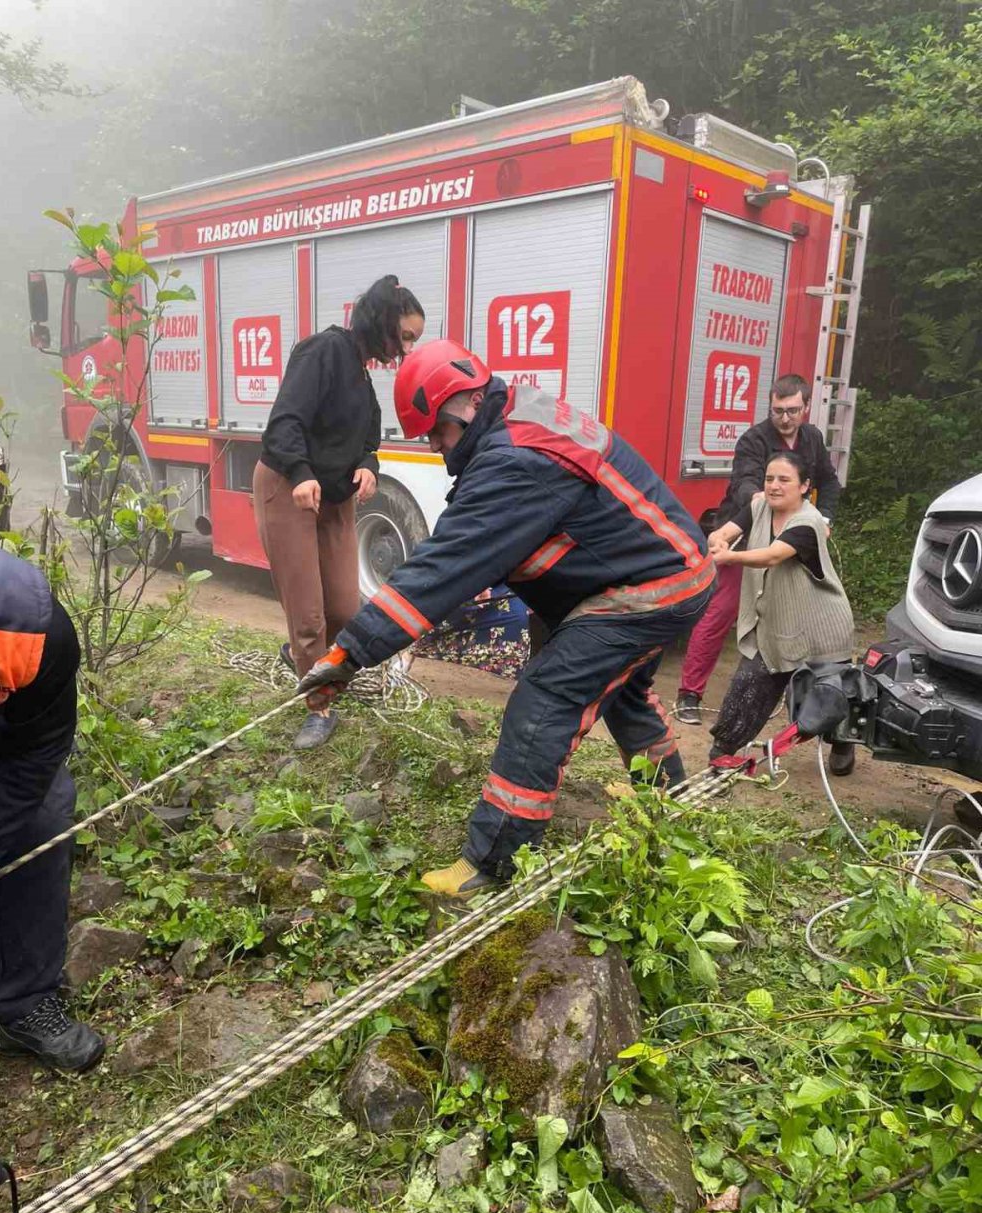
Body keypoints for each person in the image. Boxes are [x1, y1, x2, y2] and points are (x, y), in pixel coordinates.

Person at [295, 339, 715, 897]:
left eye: (438, 435)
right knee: (625, 691)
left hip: (649, 586)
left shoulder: (515, 460)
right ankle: (671, 801)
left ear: (463, 406)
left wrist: (350, 652)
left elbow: (447, 563)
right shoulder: (516, 416)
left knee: (545, 698)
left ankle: (495, 863)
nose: (439, 449)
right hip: (661, 568)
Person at [254, 274, 425, 750]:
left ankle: (300, 655)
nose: (408, 349)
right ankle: (317, 707)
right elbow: (284, 420)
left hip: (333, 495)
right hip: (290, 487)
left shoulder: (362, 370)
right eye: (406, 336)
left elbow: (368, 437)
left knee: (345, 608)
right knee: (308, 612)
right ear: (383, 322)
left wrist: (369, 466)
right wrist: (302, 471)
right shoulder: (323, 351)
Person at [0, 545, 105, 1072]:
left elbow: (36, 757)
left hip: (7, 742)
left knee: (44, 814)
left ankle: (25, 1001)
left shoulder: (43, 636)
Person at [675, 374, 842, 729]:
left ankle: (813, 705)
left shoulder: (812, 438)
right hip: (749, 527)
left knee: (801, 614)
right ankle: (688, 694)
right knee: (723, 610)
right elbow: (745, 483)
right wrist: (761, 504)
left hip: (794, 532)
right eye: (778, 411)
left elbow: (829, 482)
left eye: (793, 410)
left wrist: (824, 518)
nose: (785, 418)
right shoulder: (753, 439)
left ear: (806, 407)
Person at [706, 452, 854, 768]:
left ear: (804, 486)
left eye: (784, 480)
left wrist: (728, 558)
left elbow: (774, 555)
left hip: (821, 629)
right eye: (769, 478)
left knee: (829, 696)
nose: (774, 486)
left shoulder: (810, 521)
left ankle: (842, 746)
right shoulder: (759, 506)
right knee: (748, 684)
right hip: (775, 624)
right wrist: (718, 540)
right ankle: (723, 751)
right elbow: (727, 531)